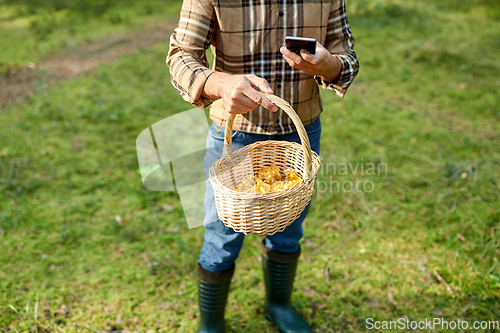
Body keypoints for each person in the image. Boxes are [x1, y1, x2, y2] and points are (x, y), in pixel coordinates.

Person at [167, 0, 358, 332]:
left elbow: (347, 60)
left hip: (300, 132)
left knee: (289, 228)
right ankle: (210, 323)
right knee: (221, 233)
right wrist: (221, 84)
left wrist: (327, 65)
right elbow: (181, 56)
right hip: (235, 135)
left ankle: (279, 306)